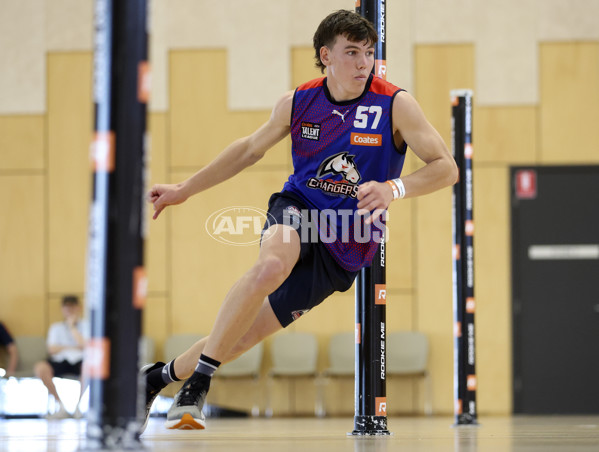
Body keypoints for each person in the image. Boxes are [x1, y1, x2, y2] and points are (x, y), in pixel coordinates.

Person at [142, 9, 457, 432]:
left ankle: (155, 379)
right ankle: (199, 382)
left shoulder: (394, 103)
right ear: (325, 55)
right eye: (351, 53)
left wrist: (393, 188)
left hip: (348, 245)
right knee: (271, 265)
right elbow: (249, 149)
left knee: (241, 338)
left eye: (368, 53)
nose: (363, 63)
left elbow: (446, 167)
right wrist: (184, 189)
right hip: (299, 208)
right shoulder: (299, 102)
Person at [34, 295, 87, 419]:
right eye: (67, 307)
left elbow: (85, 345)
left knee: (89, 367)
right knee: (40, 368)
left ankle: (78, 407)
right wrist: (73, 347)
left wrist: (71, 327)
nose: (69, 310)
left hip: (80, 360)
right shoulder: (55, 327)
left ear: (78, 308)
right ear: (62, 309)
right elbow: (52, 349)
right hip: (60, 360)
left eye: (72, 307)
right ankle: (60, 405)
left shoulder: (86, 325)